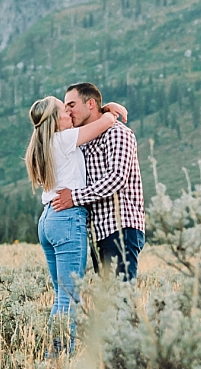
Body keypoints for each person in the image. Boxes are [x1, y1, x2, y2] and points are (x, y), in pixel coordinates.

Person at [25, 95, 121, 340]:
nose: (69, 113)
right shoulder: (65, 138)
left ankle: (53, 355)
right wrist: (111, 110)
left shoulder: (46, 143)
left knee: (61, 295)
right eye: (63, 110)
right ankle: (58, 357)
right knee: (70, 297)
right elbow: (105, 123)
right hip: (67, 218)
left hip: (48, 220)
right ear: (56, 119)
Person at [51, 82, 146, 280]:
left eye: (71, 105)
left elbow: (117, 178)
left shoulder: (117, 133)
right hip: (98, 232)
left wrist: (74, 198)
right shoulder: (85, 139)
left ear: (91, 104)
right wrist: (107, 111)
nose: (68, 111)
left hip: (120, 228)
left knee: (121, 299)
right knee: (108, 302)